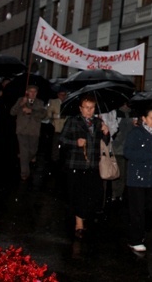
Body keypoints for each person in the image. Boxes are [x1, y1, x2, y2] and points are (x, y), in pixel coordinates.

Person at [59, 94, 110, 238]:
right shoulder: (73, 121)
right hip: (77, 163)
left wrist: (106, 133)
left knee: (93, 194)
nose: (89, 111)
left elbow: (104, 143)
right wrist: (76, 142)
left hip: (93, 164)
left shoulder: (98, 122)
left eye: (92, 108)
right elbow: (62, 140)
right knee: (78, 193)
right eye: (86, 108)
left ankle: (83, 214)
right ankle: (79, 222)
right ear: (81, 109)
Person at [124, 107, 152, 253]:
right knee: (137, 210)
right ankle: (135, 240)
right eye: (151, 118)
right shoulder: (135, 133)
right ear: (144, 118)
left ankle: (144, 227)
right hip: (137, 178)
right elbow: (127, 152)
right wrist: (148, 155)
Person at [10, 85, 47, 180]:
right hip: (22, 130)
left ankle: (31, 157)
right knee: (24, 152)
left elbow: (43, 115)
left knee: (33, 151)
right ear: (27, 92)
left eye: (35, 92)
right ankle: (24, 173)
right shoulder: (21, 100)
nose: (33, 93)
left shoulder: (40, 102)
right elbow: (12, 112)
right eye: (31, 91)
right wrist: (21, 104)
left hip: (34, 131)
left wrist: (32, 111)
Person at [111, 103, 135, 202]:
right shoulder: (117, 113)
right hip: (119, 149)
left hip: (126, 148)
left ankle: (118, 193)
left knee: (122, 173)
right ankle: (116, 193)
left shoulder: (131, 114)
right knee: (118, 172)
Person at [46, 88, 68, 165]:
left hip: (65, 128)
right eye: (62, 95)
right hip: (56, 128)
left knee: (64, 146)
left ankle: (63, 161)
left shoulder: (67, 102)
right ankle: (54, 161)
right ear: (58, 95)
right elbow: (49, 114)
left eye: (65, 95)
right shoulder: (53, 102)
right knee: (55, 145)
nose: (63, 96)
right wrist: (58, 116)